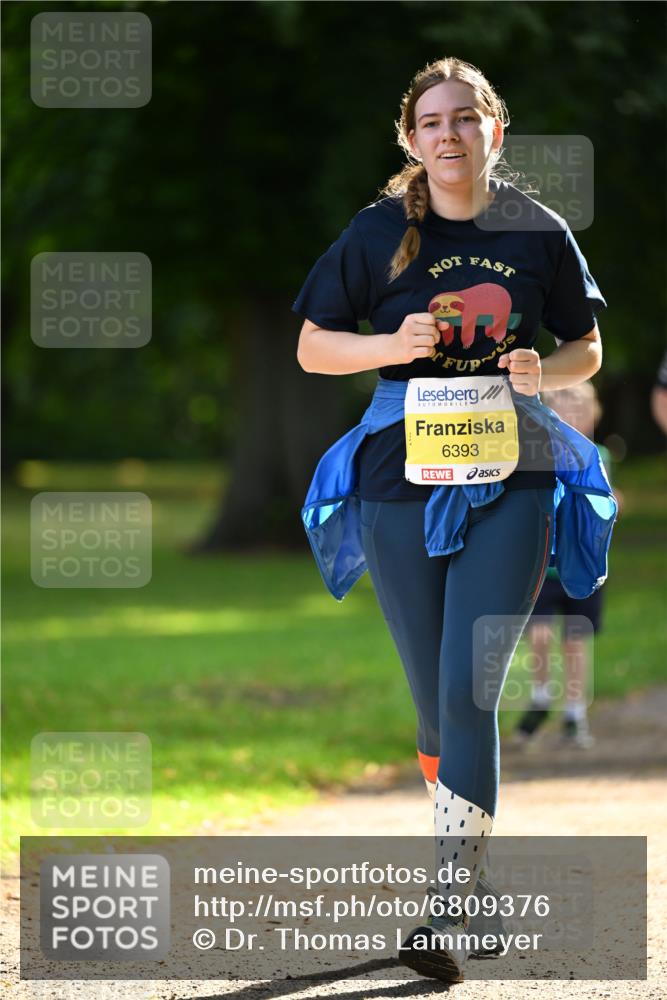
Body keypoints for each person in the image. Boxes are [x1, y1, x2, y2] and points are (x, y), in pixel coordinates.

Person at [293, 56, 613, 983]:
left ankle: (449, 908)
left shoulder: (535, 228)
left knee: (471, 686)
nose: (447, 135)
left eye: (464, 119)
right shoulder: (377, 231)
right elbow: (313, 346)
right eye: (430, 122)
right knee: (434, 705)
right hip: (397, 480)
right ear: (410, 140)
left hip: (511, 476)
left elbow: (586, 348)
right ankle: (469, 876)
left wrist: (539, 374)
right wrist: (389, 345)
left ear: (492, 131)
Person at [514, 382, 612, 750]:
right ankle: (541, 696)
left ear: (594, 415)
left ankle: (575, 712)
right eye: (561, 404)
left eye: (580, 406)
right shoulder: (540, 454)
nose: (571, 412)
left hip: (581, 568)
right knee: (539, 636)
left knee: (575, 642)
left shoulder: (597, 455)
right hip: (543, 568)